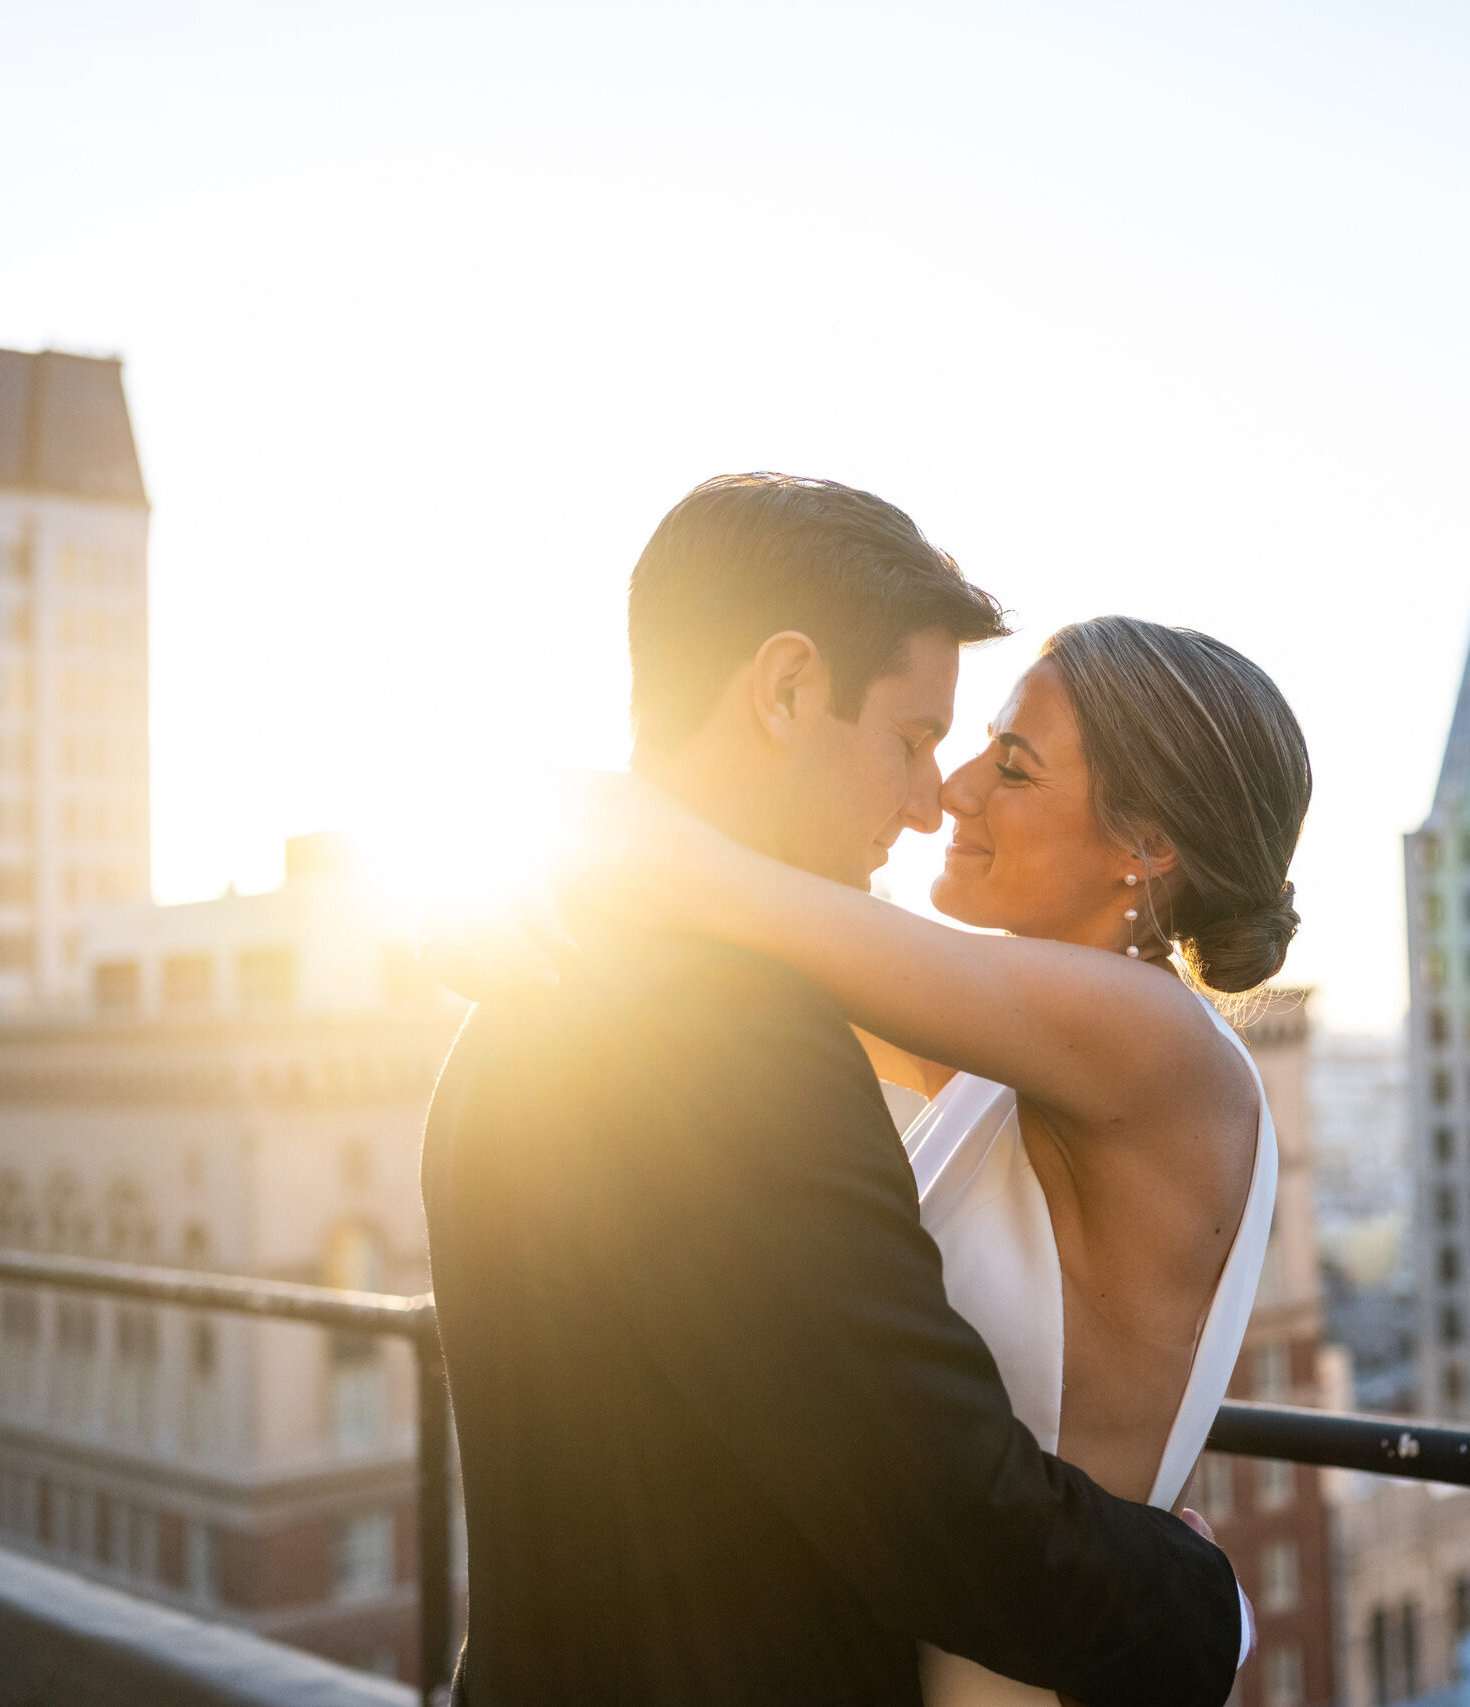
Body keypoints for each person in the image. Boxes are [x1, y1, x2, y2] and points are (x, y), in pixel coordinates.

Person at [419, 473, 1246, 1707]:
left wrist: (550, 845)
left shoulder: (537, 990)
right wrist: (1202, 1607)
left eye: (993, 763)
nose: (933, 802)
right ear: (789, 686)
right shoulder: (733, 1031)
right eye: (914, 740)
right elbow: (935, 1509)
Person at [560, 611, 1313, 1707]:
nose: (950, 792)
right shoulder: (1020, 1058)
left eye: (1010, 766)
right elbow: (714, 959)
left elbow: (728, 896)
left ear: (1145, 845)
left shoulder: (1150, 1042)